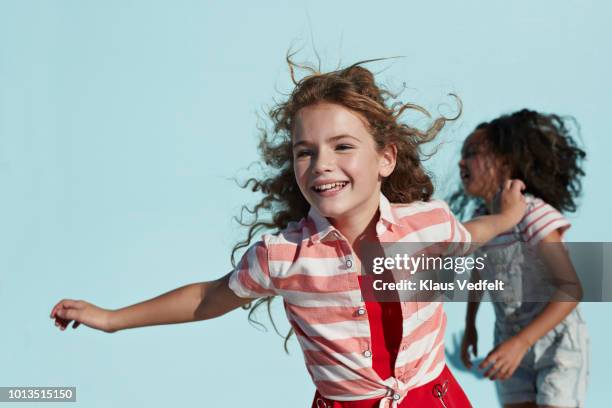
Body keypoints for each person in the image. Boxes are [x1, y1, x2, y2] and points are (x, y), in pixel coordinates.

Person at [50, 59, 526, 407]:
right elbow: (209, 297)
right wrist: (112, 318)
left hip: (436, 399)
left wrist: (506, 218)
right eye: (305, 151)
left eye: (342, 146)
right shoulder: (283, 256)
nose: (322, 164)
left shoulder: (427, 224)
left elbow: (471, 231)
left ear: (385, 158)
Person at [454, 109, 589, 408]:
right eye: (462, 154)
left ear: (505, 162)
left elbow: (571, 289)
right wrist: (470, 324)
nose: (462, 162)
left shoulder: (532, 214)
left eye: (473, 153)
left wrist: (522, 343)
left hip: (557, 344)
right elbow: (479, 271)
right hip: (508, 337)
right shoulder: (480, 219)